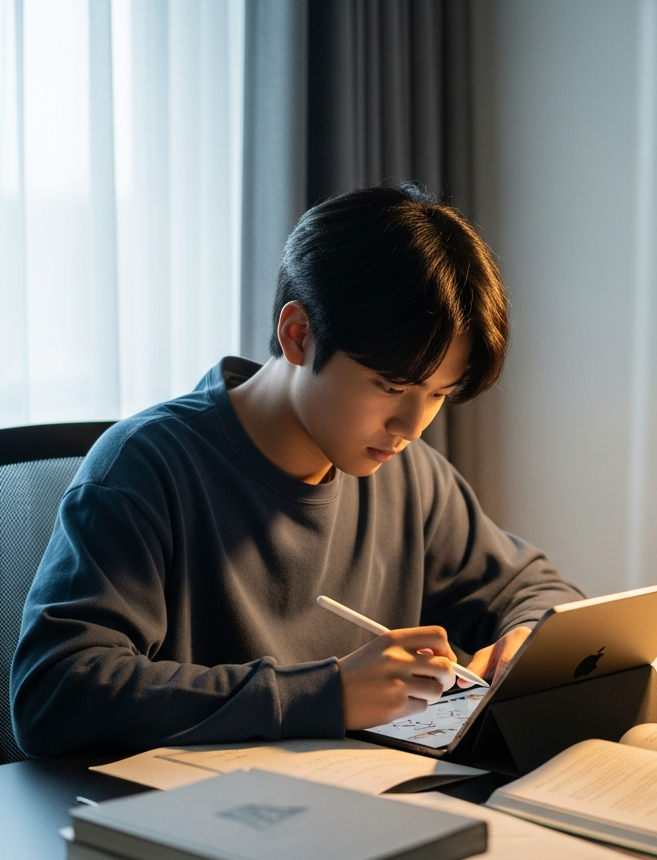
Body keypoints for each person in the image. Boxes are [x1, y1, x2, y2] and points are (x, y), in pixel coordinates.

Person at [11, 184, 583, 758]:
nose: (412, 425)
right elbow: (54, 694)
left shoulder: (411, 479)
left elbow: (532, 587)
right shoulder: (146, 465)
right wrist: (325, 694)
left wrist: (527, 637)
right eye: (391, 386)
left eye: (438, 393)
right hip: (197, 822)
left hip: (358, 808)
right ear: (298, 334)